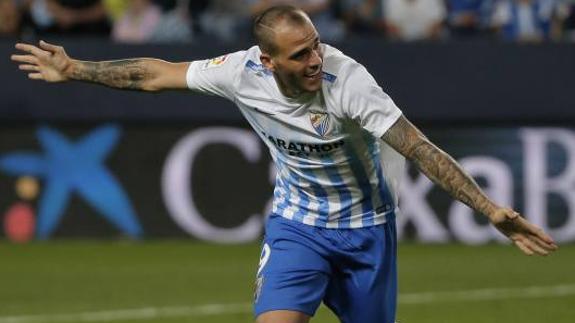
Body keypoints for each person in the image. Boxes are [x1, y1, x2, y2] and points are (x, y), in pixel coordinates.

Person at [10, 5, 557, 323]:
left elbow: (417, 147)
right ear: (267, 61)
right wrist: (75, 68)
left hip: (367, 233)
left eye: (316, 46)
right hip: (298, 227)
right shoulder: (237, 71)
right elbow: (157, 73)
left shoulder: (351, 82)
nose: (315, 59)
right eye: (300, 54)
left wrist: (490, 209)